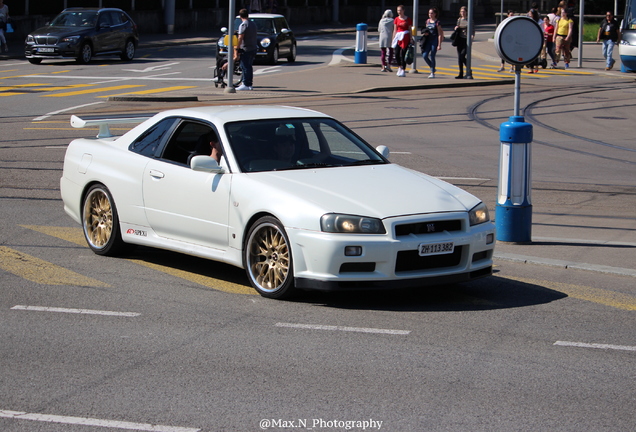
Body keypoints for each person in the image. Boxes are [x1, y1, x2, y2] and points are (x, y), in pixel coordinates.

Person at [235, 9, 258, 91]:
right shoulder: (252, 23)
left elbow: (240, 37)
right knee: (249, 66)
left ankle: (246, 84)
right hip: (253, 47)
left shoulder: (243, 25)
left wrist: (237, 47)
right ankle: (249, 84)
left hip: (246, 48)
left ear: (240, 16)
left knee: (245, 66)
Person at [420, 8, 443, 78]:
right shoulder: (427, 21)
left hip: (434, 40)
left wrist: (439, 44)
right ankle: (432, 67)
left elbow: (439, 34)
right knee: (424, 55)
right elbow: (426, 29)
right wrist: (425, 33)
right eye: (429, 13)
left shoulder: (437, 22)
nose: (430, 15)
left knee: (432, 56)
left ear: (435, 14)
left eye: (432, 13)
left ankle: (432, 72)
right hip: (428, 40)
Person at [391, 5, 413, 77]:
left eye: (400, 10)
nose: (399, 12)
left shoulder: (408, 19)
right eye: (398, 10)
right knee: (397, 53)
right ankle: (399, 67)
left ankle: (403, 70)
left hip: (405, 37)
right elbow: (395, 29)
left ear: (403, 10)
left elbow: (410, 29)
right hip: (398, 36)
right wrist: (393, 38)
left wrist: (411, 38)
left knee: (403, 54)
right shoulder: (396, 19)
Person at [454, 6, 471, 79]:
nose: (462, 13)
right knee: (459, 58)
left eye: (464, 11)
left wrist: (472, 36)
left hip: (466, 40)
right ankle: (460, 73)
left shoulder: (469, 20)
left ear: (466, 12)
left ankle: (469, 70)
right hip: (459, 39)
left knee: (462, 56)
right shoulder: (459, 20)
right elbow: (457, 27)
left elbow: (472, 29)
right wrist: (456, 28)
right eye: (461, 11)